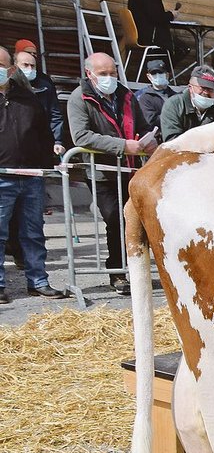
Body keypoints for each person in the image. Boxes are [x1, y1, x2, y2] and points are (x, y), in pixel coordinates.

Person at [67, 52, 153, 296]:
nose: (109, 78)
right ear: (89, 74)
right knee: (115, 220)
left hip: (131, 169)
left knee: (139, 220)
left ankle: (138, 268)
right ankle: (117, 272)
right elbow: (81, 136)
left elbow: (142, 126)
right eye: (103, 74)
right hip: (102, 172)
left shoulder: (126, 95)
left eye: (112, 73)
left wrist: (149, 140)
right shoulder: (79, 98)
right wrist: (122, 145)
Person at [0, 46, 60, 303]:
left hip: (32, 177)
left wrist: (47, 168)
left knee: (33, 232)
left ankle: (38, 281)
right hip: (2, 177)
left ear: (11, 69)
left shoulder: (27, 97)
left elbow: (43, 133)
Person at [160, 65, 214, 141]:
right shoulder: (174, 105)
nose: (206, 92)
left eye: (211, 89)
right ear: (190, 88)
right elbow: (172, 141)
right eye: (202, 88)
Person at [127, 0, 180, 64]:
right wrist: (171, 15)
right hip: (150, 37)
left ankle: (156, 72)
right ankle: (161, 73)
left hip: (139, 33)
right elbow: (157, 18)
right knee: (180, 48)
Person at [134, 57, 174, 133]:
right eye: (154, 73)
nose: (158, 75)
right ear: (149, 77)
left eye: (161, 72)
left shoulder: (175, 95)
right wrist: (174, 116)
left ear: (167, 75)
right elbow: (151, 121)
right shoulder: (144, 97)